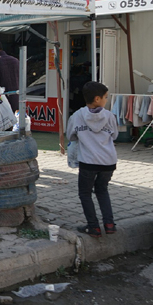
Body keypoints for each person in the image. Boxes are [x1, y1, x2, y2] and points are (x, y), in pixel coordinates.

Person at [66, 81, 118, 238]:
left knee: (85, 193)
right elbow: (114, 135)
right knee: (102, 190)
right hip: (108, 162)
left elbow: (70, 136)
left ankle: (93, 226)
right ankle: (109, 224)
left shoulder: (77, 116)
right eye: (105, 97)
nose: (106, 100)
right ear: (97, 99)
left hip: (88, 162)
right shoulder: (109, 116)